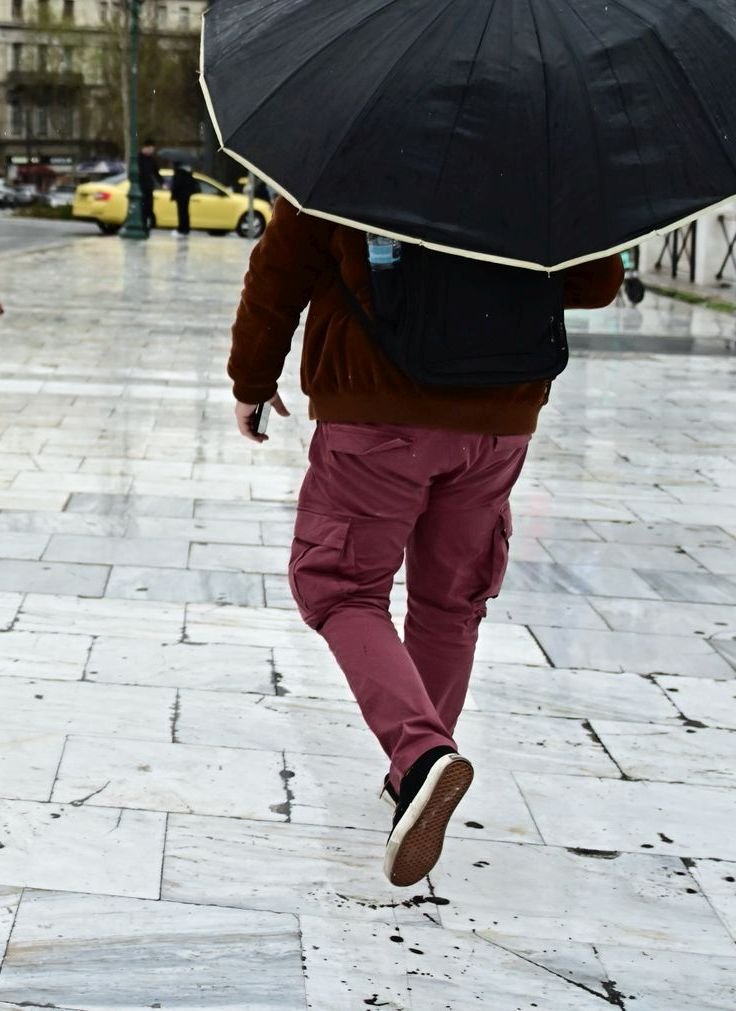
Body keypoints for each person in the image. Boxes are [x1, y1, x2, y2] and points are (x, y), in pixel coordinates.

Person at [227, 202, 621, 886]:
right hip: (500, 417)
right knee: (452, 601)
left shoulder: (346, 148)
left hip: (376, 408)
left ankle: (419, 755)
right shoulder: (537, 159)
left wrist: (252, 381)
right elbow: (595, 282)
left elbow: (279, 272)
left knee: (340, 586)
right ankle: (413, 771)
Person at [169, 156, 198, 237]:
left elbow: (176, 185)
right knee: (185, 212)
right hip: (186, 195)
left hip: (180, 196)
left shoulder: (179, 173)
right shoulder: (188, 172)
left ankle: (181, 229)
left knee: (181, 212)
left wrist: (173, 194)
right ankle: (186, 229)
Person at [136, 139, 162, 229]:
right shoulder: (138, 158)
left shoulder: (152, 159)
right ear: (145, 148)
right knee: (142, 208)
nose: (152, 151)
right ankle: (142, 226)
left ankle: (147, 225)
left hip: (149, 187)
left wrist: (162, 183)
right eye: (151, 149)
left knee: (149, 207)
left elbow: (156, 173)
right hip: (140, 187)